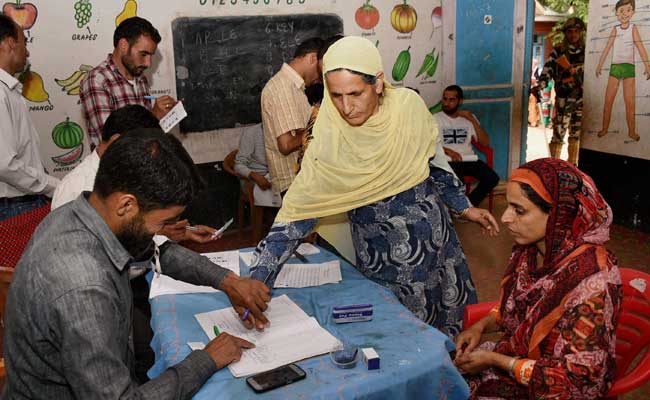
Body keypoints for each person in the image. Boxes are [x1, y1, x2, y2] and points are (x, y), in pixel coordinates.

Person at [249, 36, 499, 337]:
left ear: (378, 83)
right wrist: (258, 279)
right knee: (401, 335)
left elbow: (433, 164)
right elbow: (296, 217)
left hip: (436, 241)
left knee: (450, 329)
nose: (346, 107)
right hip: (385, 257)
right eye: (336, 95)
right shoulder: (329, 135)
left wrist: (465, 208)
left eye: (355, 93)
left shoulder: (409, 108)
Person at [2, 131, 272, 399]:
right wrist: (207, 360)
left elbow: (154, 251)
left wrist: (228, 281)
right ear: (127, 205)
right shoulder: (84, 288)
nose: (162, 231)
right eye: (161, 222)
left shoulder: (81, 214)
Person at [454, 157, 622, 399]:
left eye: (519, 210)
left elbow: (579, 382)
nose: (505, 218)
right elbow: (513, 310)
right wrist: (479, 327)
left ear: (558, 215)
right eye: (509, 207)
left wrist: (495, 360)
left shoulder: (593, 281)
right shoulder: (530, 253)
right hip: (515, 361)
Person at [80, 16, 177, 149]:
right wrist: (153, 117)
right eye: (143, 54)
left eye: (151, 56)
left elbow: (148, 137)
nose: (148, 63)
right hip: (116, 168)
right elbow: (113, 144)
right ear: (124, 46)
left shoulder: (140, 78)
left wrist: (166, 116)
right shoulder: (97, 81)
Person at [0, 14, 59, 221]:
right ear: (9, 44)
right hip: (14, 207)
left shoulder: (9, 91)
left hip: (20, 203)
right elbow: (4, 164)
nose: (27, 51)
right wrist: (53, 186)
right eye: (24, 42)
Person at [260, 37, 323, 195]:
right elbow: (286, 145)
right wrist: (319, 123)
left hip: (304, 180)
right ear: (312, 58)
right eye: (321, 68)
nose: (321, 76)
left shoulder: (295, 87)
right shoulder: (282, 87)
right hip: (294, 183)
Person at [436, 85, 500, 207]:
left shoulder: (469, 118)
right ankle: (458, 208)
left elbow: (485, 142)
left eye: (451, 100)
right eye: (445, 99)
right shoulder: (435, 119)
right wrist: (447, 150)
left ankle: (468, 205)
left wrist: (472, 119)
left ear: (460, 101)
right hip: (447, 160)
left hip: (468, 159)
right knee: (457, 180)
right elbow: (429, 143)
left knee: (492, 178)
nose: (447, 103)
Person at [596, 0, 650, 142]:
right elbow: (607, 47)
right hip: (615, 68)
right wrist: (600, 64)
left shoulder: (633, 28)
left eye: (628, 10)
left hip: (629, 68)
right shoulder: (615, 29)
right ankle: (605, 128)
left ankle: (632, 132)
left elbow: (640, 47)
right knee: (608, 102)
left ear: (632, 12)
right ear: (616, 13)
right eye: (621, 11)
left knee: (630, 103)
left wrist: (647, 65)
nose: (624, 13)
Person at [538, 17, 586, 165]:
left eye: (576, 31)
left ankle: (573, 167)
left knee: (576, 135)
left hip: (581, 99)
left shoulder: (588, 51)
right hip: (563, 99)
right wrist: (540, 85)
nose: (573, 35)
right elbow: (547, 70)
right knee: (558, 135)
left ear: (581, 33)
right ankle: (555, 167)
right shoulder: (558, 51)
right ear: (566, 34)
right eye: (570, 32)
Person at [234, 123, 271, 192]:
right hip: (256, 179)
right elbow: (238, 166)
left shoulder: (288, 132)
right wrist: (255, 176)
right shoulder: (251, 133)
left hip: (279, 179)